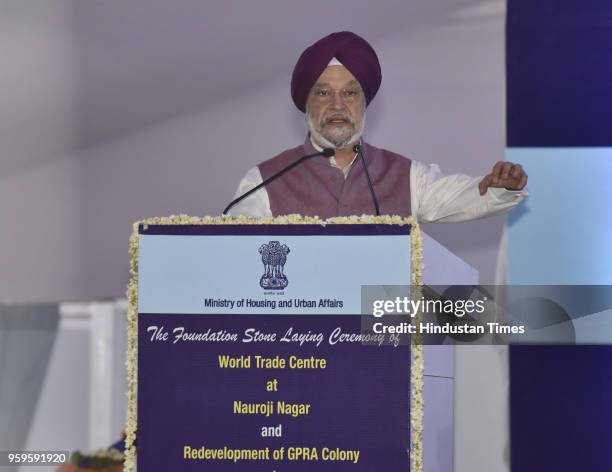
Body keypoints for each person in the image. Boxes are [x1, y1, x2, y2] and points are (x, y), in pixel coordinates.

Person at [229, 31, 527, 220]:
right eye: (323, 93)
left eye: (349, 93)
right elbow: (229, 251)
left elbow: (459, 196)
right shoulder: (264, 180)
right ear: (306, 103)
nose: (337, 105)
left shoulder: (402, 174)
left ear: (364, 102)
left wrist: (500, 187)